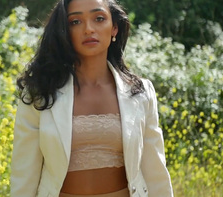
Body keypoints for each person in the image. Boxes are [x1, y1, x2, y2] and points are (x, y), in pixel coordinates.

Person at [10, 0, 174, 196]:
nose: (88, 29)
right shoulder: (40, 93)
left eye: (99, 19)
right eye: (75, 22)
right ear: (64, 31)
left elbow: (156, 171)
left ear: (114, 28)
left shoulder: (140, 92)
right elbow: (24, 173)